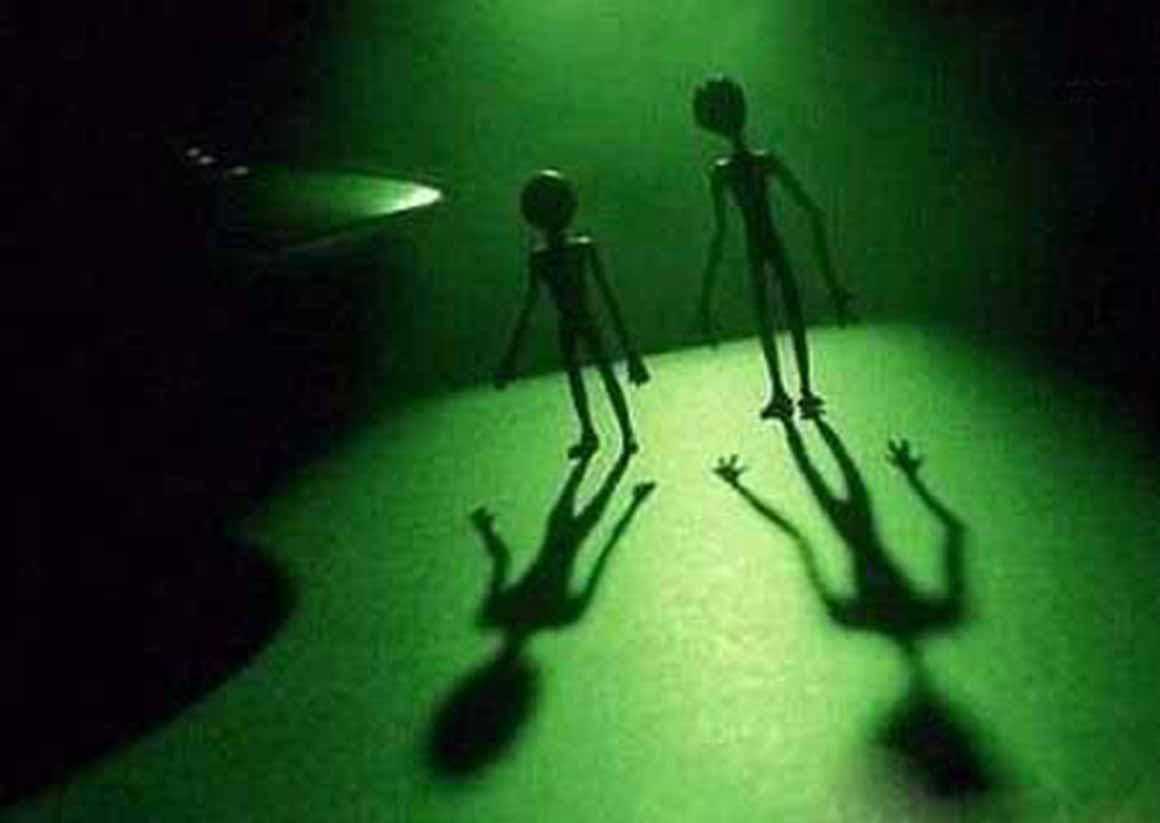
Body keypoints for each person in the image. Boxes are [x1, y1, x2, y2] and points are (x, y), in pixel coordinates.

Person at [694, 75, 854, 420]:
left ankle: (796, 391)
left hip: (761, 245)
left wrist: (832, 282)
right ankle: (789, 391)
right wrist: (832, 282)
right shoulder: (747, 166)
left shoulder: (740, 168)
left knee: (775, 315)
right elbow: (811, 213)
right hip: (763, 245)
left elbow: (721, 234)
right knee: (776, 315)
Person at [495, 170, 649, 457]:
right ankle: (593, 432)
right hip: (572, 324)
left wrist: (632, 354)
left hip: (580, 322)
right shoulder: (548, 256)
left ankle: (625, 432)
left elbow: (606, 298)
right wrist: (509, 360)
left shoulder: (574, 251)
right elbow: (529, 310)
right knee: (581, 380)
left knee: (600, 377)